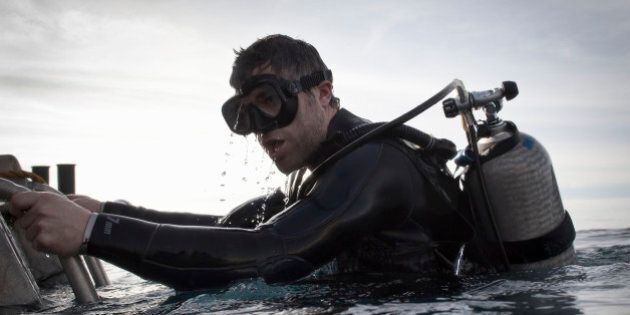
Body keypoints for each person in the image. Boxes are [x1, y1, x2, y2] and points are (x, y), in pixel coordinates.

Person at [9, 34, 471, 289]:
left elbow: (268, 253)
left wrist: (93, 235)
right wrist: (107, 212)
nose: (258, 128)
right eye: (243, 114)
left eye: (268, 102)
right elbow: (232, 227)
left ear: (322, 93)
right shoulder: (322, 167)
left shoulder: (371, 164)